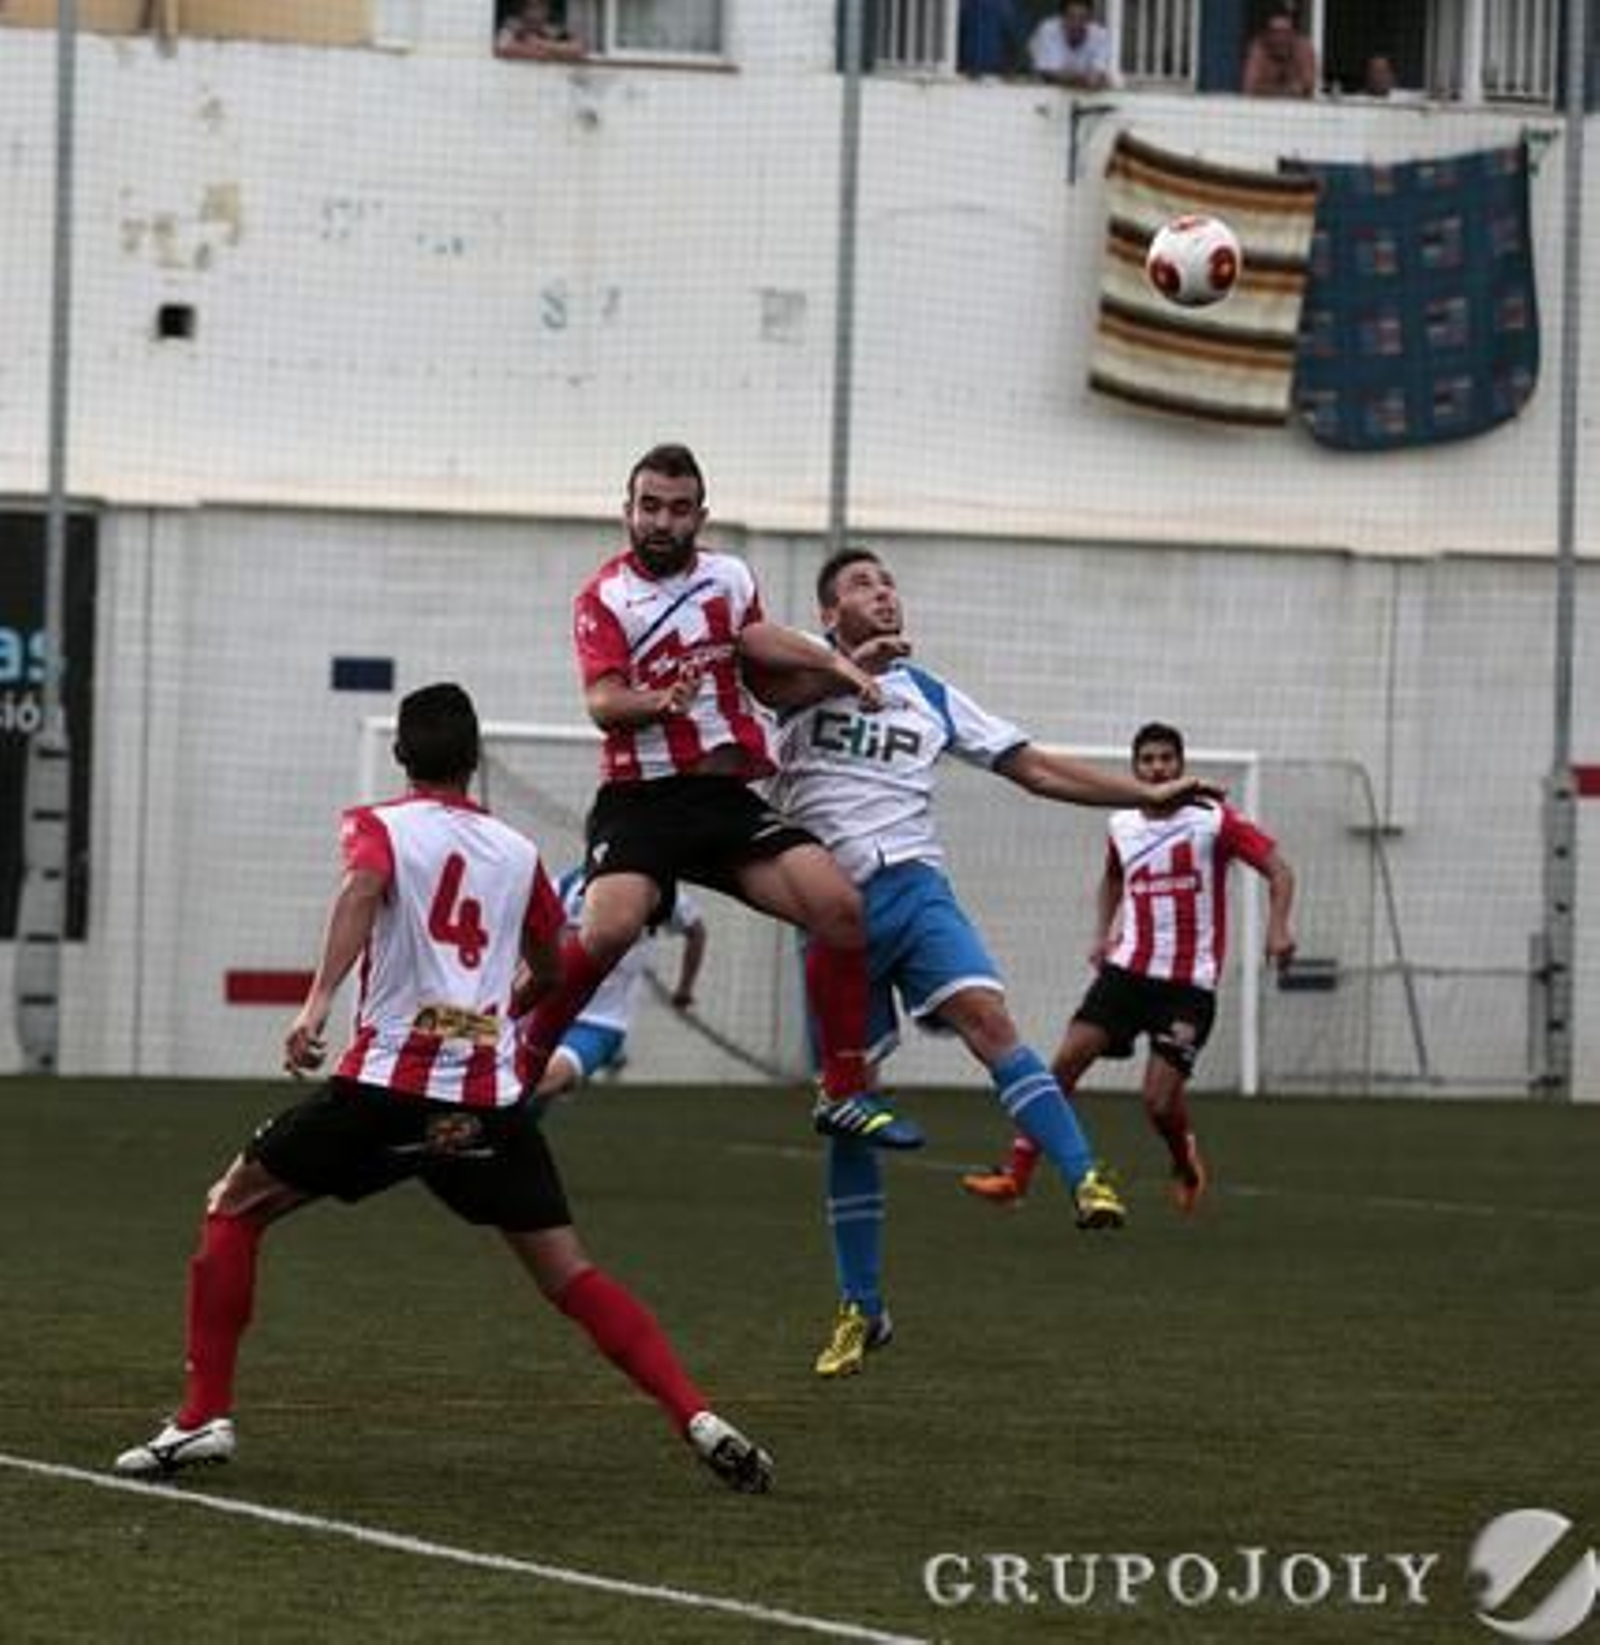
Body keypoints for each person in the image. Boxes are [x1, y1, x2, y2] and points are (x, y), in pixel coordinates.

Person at [114, 682, 772, 1494]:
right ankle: (695, 1412)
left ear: (402, 756)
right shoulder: (519, 853)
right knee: (568, 1272)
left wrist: (317, 1000)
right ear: (473, 762)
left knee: (234, 1204)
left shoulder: (378, 825)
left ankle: (201, 1416)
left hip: (385, 1086)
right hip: (485, 1101)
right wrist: (506, 1006)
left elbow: (361, 890)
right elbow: (554, 960)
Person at [762, 551, 1222, 1379]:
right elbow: (761, 722)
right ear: (829, 612)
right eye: (863, 585)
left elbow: (1035, 767)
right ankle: (861, 1307)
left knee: (991, 1021)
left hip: (916, 888)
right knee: (849, 1108)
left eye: (889, 581)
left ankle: (1085, 1176)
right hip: (831, 910)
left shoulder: (930, 694)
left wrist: (1140, 794)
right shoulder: (791, 670)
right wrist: (840, 672)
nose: (885, 592)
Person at [517, 443, 922, 1150]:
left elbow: (760, 653)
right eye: (649, 507)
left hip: (724, 800)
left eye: (678, 509)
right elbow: (605, 703)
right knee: (609, 929)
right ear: (628, 511)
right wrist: (660, 702)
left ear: (700, 515)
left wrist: (841, 666)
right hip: (640, 799)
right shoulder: (604, 597)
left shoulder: (729, 577)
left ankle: (844, 1089)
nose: (662, 521)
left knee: (840, 909)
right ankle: (515, 1073)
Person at [963, 721, 1295, 1217]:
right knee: (1063, 1065)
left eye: (1166, 759)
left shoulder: (1214, 819)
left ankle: (1184, 1161)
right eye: (1148, 760)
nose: (1158, 767)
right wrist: (1104, 932)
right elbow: (1113, 879)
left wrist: (1278, 928)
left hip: (1187, 985)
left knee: (1158, 1102)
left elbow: (1278, 868)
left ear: (1179, 765)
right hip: (1126, 974)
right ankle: (1016, 1176)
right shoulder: (1121, 825)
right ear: (1135, 768)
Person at [532, 867, 707, 1110]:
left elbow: (696, 930)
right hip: (550, 1013)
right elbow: (530, 935)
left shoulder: (657, 889)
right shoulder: (563, 885)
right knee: (522, 1099)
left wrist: (685, 988)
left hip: (601, 1022)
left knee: (541, 1080)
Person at [1028, 2, 1115, 91]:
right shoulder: (1048, 30)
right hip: (1044, 95)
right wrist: (1083, 79)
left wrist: (1092, 79)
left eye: (1082, 18)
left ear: (1090, 19)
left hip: (1085, 99)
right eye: (1071, 17)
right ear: (1062, 18)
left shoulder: (1100, 35)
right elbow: (1049, 74)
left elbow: (1097, 76)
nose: (1077, 23)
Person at [1241, 9, 1318, 98]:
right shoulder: (1259, 48)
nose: (1280, 38)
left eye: (1286, 32)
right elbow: (1249, 88)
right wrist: (1289, 90)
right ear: (1266, 34)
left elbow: (1307, 86)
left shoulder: (1303, 48)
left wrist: (1267, 89)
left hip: (1297, 108)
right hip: (1265, 108)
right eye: (1275, 32)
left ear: (1294, 34)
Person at [495, 0, 586, 62]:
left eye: (540, 7)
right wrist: (552, 54)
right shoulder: (513, 25)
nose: (534, 14)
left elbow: (578, 48)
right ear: (521, 9)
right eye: (530, 7)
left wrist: (541, 44)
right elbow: (502, 47)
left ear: (547, 10)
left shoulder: (551, 30)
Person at [957, 0, 1029, 78]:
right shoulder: (1005, 5)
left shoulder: (964, 4)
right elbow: (1018, 36)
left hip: (969, 66)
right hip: (995, 67)